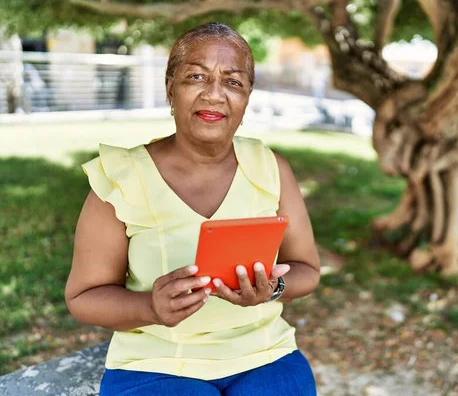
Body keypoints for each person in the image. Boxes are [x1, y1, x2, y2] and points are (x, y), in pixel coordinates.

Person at [65, 22, 321, 396]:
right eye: (196, 76)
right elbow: (83, 297)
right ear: (171, 88)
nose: (214, 94)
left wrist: (272, 288)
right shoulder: (121, 177)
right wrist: (150, 308)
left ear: (248, 96)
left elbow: (308, 271)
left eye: (233, 81)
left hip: (265, 353)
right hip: (155, 363)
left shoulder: (270, 168)